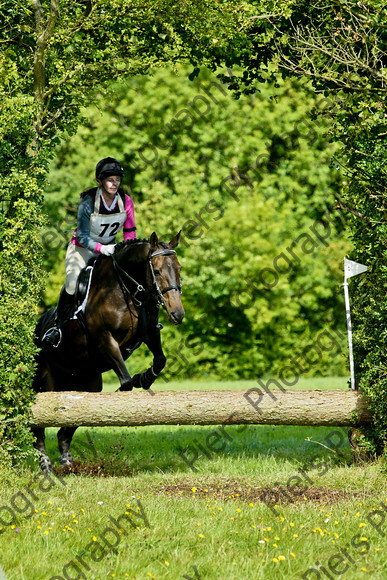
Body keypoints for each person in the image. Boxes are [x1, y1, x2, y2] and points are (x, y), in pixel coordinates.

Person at [42, 157, 136, 348]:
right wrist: (103, 248)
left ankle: (141, 321)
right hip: (82, 249)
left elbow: (129, 232)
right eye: (110, 179)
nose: (115, 183)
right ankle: (57, 327)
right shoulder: (88, 201)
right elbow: (83, 237)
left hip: (111, 249)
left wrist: (126, 254)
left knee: (131, 278)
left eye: (117, 179)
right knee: (72, 282)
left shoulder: (125, 201)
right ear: (100, 181)